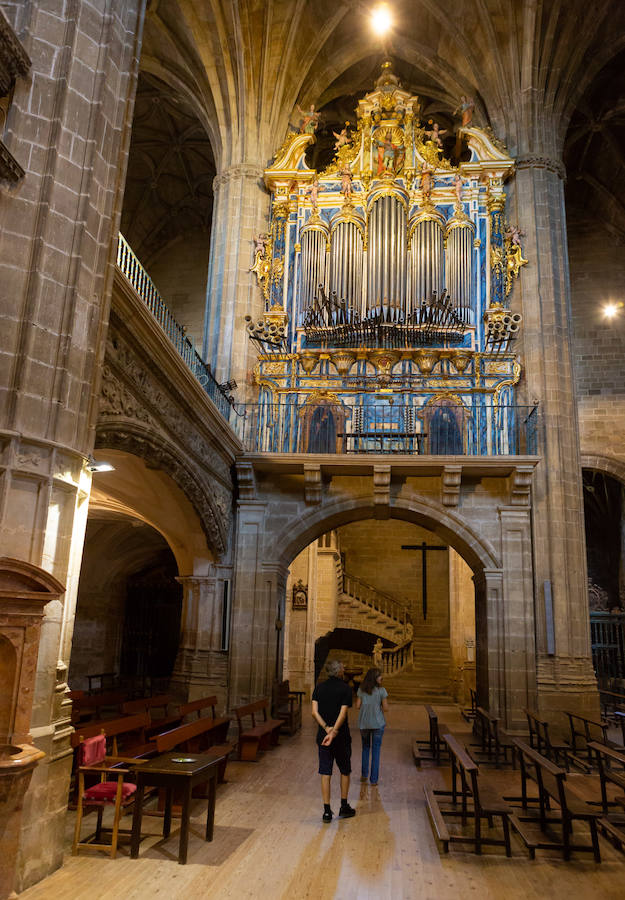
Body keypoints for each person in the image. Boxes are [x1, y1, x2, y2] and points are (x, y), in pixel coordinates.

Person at [311, 659, 356, 823]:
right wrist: (335, 731)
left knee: (325, 772)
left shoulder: (319, 687)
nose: (344, 669)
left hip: (323, 737)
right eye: (343, 668)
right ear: (339, 672)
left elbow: (314, 712)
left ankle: (326, 811)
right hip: (341, 737)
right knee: (345, 770)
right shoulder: (345, 689)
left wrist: (326, 729)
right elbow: (342, 714)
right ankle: (344, 807)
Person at [356, 668, 389, 785]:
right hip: (378, 724)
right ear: (375, 678)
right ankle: (374, 780)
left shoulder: (361, 690)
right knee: (376, 751)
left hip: (364, 723)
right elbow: (386, 708)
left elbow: (357, 706)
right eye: (380, 676)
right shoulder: (382, 691)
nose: (382, 678)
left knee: (365, 748)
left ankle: (364, 775)